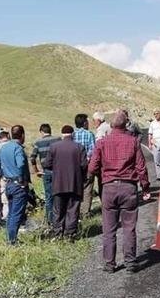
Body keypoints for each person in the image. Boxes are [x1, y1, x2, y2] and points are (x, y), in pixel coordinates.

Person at [89, 112, 151, 273]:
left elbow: (92, 167)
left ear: (111, 125)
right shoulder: (133, 142)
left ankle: (110, 263)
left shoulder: (102, 143)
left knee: (109, 229)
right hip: (128, 187)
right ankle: (130, 262)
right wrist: (145, 187)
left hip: (108, 187)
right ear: (126, 125)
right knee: (129, 227)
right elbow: (141, 167)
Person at [43, 125, 87, 239]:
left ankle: (58, 232)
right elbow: (84, 165)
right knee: (72, 209)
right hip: (74, 183)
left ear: (62, 134)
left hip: (58, 183)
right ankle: (70, 233)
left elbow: (47, 164)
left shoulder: (54, 147)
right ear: (73, 134)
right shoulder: (79, 147)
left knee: (58, 209)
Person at [0, 125, 29, 245]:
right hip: (18, 185)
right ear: (22, 135)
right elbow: (21, 163)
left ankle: (9, 237)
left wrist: (3, 174)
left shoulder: (3, 148)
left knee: (11, 213)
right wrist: (21, 178)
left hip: (8, 184)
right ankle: (12, 241)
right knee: (17, 214)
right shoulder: (18, 148)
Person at [30, 123, 60, 224]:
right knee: (59, 195)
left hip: (46, 171)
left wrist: (36, 171)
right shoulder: (57, 140)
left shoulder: (38, 142)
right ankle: (59, 217)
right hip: (58, 171)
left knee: (48, 196)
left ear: (42, 132)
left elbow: (32, 157)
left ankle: (50, 220)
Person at [75, 114, 98, 216]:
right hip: (87, 165)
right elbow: (93, 149)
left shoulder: (72, 135)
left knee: (76, 187)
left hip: (75, 167)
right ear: (84, 123)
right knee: (88, 188)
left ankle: (76, 210)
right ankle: (85, 211)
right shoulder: (89, 134)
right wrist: (87, 159)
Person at [148, 109, 160, 181]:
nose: (156, 115)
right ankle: (159, 176)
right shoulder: (152, 123)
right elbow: (150, 134)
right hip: (155, 144)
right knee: (157, 160)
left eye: (157, 113)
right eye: (154, 114)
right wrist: (149, 144)